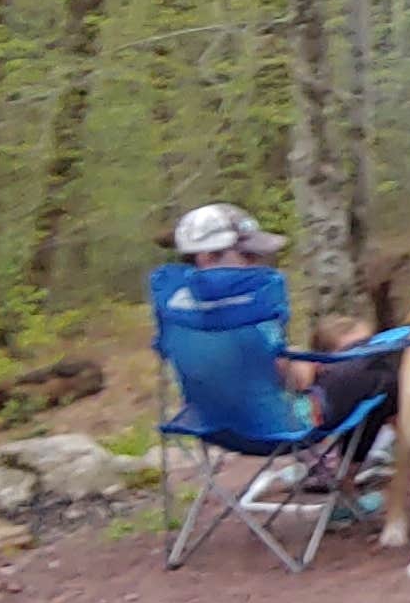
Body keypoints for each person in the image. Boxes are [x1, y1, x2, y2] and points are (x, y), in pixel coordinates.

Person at [169, 203, 394, 502]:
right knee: (383, 368)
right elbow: (290, 376)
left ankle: (344, 480)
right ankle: (345, 487)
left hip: (210, 422)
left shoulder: (178, 309)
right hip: (277, 422)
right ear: (207, 257)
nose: (258, 264)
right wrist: (310, 367)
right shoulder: (247, 307)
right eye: (247, 256)